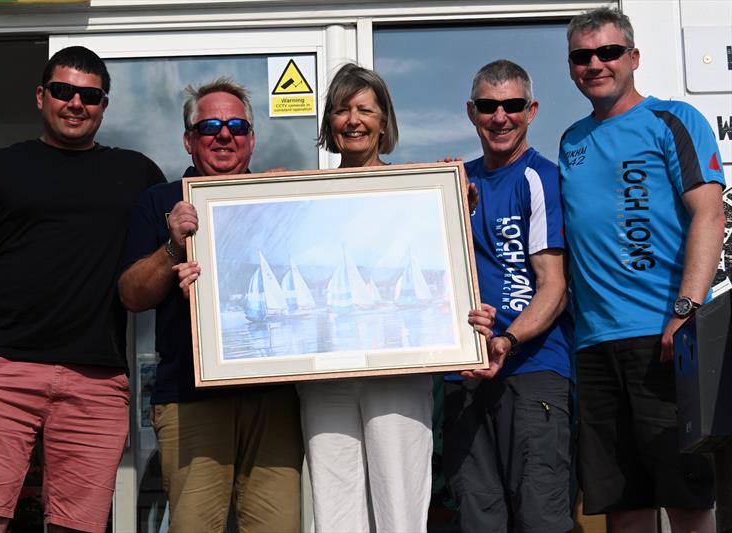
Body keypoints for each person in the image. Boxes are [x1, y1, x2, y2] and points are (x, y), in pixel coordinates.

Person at [0, 46, 166, 533]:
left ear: (105, 105)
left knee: (77, 528)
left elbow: (186, 232)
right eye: (63, 91)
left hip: (96, 380)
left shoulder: (137, 174)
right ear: (41, 96)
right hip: (1, 374)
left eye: (90, 95)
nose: (75, 103)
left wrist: (260, 183)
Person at [296, 62, 491, 532]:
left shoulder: (420, 193)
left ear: (385, 121)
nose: (353, 120)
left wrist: (454, 207)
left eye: (365, 109)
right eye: (342, 110)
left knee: (400, 508)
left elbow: (443, 277)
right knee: (335, 509)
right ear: (329, 123)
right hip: (326, 375)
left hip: (399, 373)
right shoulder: (304, 196)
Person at [560, 7, 725, 533]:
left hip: (664, 337)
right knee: (622, 502)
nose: (596, 64)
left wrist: (686, 309)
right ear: (571, 67)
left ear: (633, 57)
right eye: (583, 56)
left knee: (686, 497)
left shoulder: (673, 120)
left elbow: (710, 212)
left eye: (608, 52)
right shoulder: (571, 141)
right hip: (593, 346)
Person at [118, 78, 303, 533]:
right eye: (210, 126)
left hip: (273, 399)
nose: (225, 135)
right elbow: (131, 295)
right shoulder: (160, 201)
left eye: (237, 125)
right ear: (189, 140)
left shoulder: (275, 198)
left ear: (252, 139)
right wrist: (172, 248)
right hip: (189, 399)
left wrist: (300, 195)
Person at [441, 59, 573, 533]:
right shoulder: (456, 183)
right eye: (489, 106)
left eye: (513, 105)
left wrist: (508, 340)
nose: (501, 117)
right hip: (465, 372)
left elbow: (553, 286)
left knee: (541, 516)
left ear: (531, 110)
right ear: (471, 111)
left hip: (531, 369)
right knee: (478, 516)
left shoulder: (540, 178)